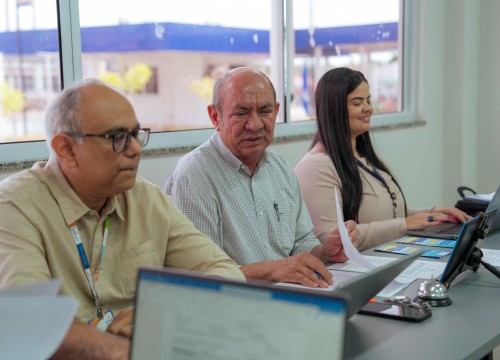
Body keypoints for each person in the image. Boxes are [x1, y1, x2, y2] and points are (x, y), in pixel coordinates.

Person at [0, 79, 244, 360]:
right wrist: (127, 352)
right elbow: (28, 319)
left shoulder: (144, 198)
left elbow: (223, 271)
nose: (136, 150)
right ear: (66, 149)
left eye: (136, 134)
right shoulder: (15, 206)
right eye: (117, 137)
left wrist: (161, 312)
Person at [164, 67, 358, 289]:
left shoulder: (280, 168)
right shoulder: (193, 177)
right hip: (233, 307)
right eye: (241, 113)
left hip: (288, 298)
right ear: (215, 117)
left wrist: (326, 252)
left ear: (276, 112)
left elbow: (301, 242)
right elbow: (199, 275)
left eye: (265, 111)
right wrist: (272, 271)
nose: (255, 124)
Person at [295, 67, 470, 251]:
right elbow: (329, 239)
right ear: (334, 109)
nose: (368, 108)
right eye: (357, 102)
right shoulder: (315, 167)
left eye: (368, 100)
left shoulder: (364, 158)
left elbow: (390, 216)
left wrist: (431, 214)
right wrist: (405, 224)